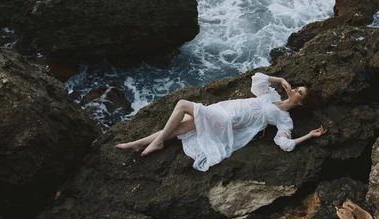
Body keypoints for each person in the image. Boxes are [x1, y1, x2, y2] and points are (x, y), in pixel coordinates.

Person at [116, 73, 327, 171]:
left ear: (301, 103)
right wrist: (279, 79)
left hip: (228, 120)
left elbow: (285, 144)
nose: (295, 89)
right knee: (182, 126)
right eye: (297, 87)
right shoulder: (272, 95)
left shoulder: (285, 120)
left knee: (181, 104)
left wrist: (308, 135)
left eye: (300, 92)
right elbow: (257, 79)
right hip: (223, 108)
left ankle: (158, 141)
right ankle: (140, 142)